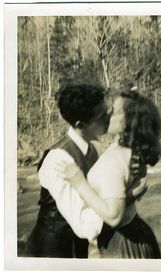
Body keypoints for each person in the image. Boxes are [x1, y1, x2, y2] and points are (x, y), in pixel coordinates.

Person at [26, 83, 146, 258]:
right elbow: (84, 224)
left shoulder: (96, 148)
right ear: (80, 124)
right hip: (51, 251)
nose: (109, 116)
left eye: (108, 110)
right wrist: (126, 198)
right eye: (101, 115)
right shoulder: (57, 160)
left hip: (79, 249)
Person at [58, 90, 161, 258]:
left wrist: (79, 183)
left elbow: (113, 216)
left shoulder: (113, 160)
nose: (107, 115)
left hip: (121, 244)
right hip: (136, 234)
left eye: (113, 111)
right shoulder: (131, 151)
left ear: (127, 122)